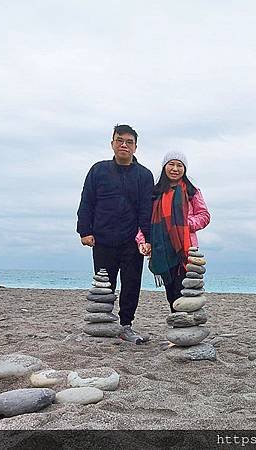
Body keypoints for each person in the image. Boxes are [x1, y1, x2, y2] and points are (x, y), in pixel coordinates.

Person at [76, 124, 154, 344]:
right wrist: (85, 230)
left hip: (132, 242)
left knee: (131, 285)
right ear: (112, 143)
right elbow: (87, 201)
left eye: (129, 142)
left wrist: (147, 239)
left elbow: (146, 210)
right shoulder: (98, 170)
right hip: (102, 239)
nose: (124, 145)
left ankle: (126, 326)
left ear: (135, 147)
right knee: (104, 285)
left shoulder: (144, 175)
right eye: (120, 140)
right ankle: (103, 325)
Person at [137, 151, 210, 312]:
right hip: (161, 248)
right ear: (164, 167)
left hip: (185, 249)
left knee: (185, 289)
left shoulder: (192, 191)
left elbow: (204, 216)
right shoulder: (154, 193)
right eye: (171, 164)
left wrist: (185, 223)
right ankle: (178, 327)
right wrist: (142, 241)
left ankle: (187, 327)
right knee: (171, 292)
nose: (175, 169)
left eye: (179, 165)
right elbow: (144, 221)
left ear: (185, 169)